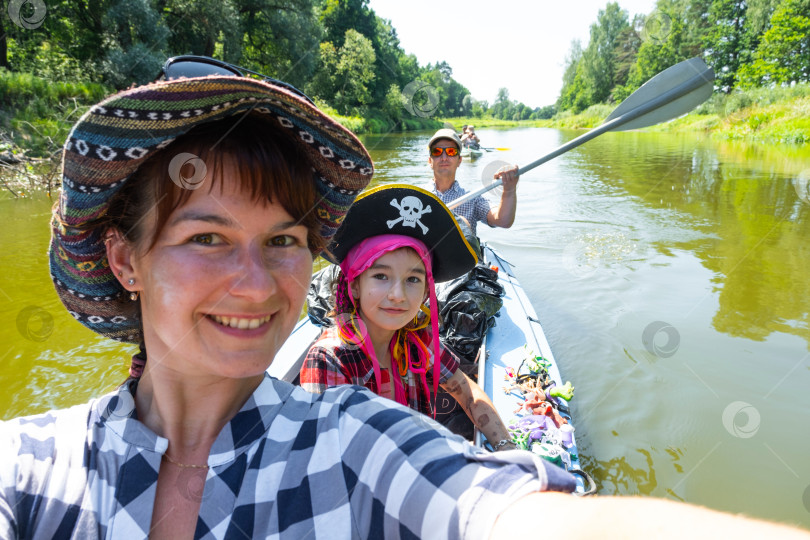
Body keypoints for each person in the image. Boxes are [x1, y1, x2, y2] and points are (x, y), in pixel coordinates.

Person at [2, 57, 808, 540]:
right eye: (206, 238)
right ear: (124, 259)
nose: (255, 283)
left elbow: (507, 513)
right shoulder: (25, 473)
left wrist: (491, 420)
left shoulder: (353, 439)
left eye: (283, 239)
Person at [299, 184, 515, 451]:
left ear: (426, 290)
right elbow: (328, 460)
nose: (398, 295)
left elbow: (467, 391)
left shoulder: (418, 340)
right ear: (354, 284)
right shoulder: (331, 360)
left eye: (413, 279)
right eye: (380, 276)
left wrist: (508, 448)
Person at [428, 128, 518, 236]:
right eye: (437, 152)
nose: (444, 157)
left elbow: (503, 220)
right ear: (430, 161)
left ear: (459, 161)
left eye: (451, 152)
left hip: (459, 252)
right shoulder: (416, 197)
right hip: (424, 252)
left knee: (461, 221)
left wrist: (509, 189)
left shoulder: (472, 198)